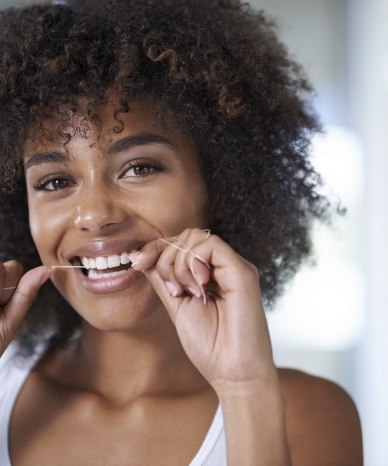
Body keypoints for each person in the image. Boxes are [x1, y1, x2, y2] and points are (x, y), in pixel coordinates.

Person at [0, 0, 363, 464]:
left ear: (222, 187)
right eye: (54, 182)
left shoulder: (305, 414)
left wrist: (244, 389)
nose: (93, 214)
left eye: (139, 168)